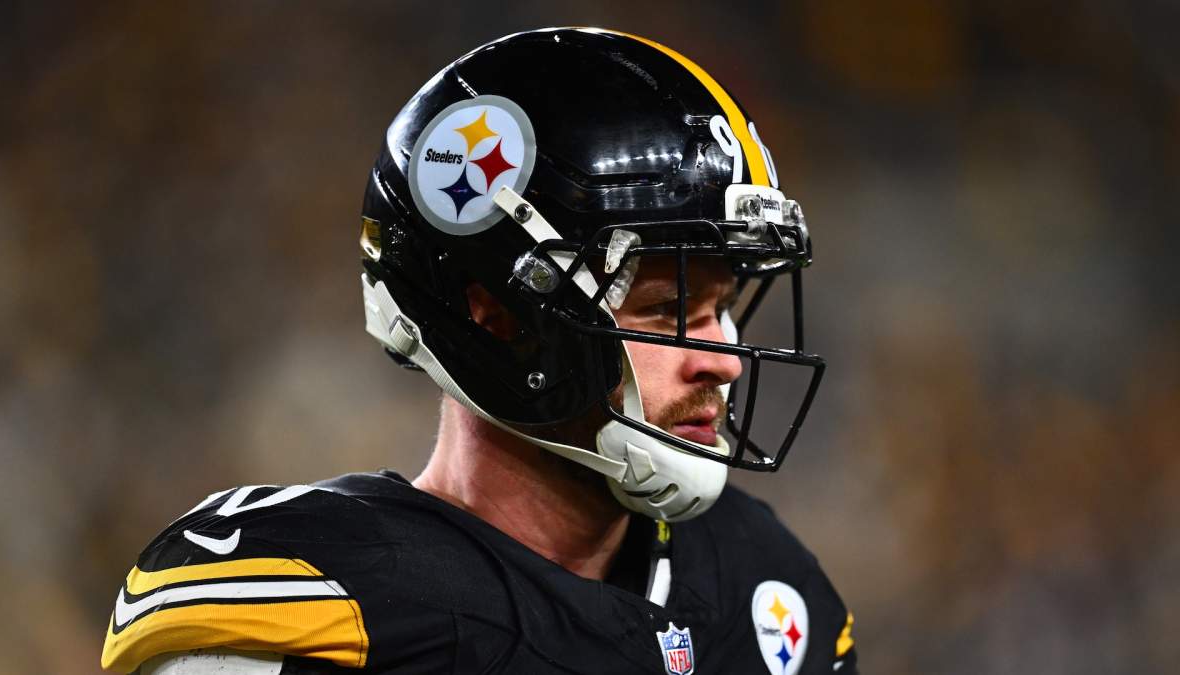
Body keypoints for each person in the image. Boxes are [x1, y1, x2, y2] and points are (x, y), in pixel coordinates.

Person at [101, 27, 858, 675]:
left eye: (721, 307)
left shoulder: (760, 583)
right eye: (667, 310)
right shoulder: (335, 601)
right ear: (498, 316)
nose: (724, 358)